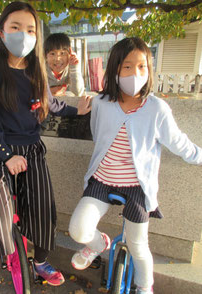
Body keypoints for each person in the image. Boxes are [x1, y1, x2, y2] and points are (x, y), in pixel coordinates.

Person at [0, 1, 91, 287]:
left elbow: (49, 102)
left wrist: (78, 110)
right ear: (1, 31)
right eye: (15, 27)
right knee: (0, 224)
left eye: (30, 29)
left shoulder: (36, 67)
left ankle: (40, 261)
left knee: (42, 214)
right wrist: (4, 153)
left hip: (31, 150)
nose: (23, 34)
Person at [68, 37, 202, 294]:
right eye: (127, 67)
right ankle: (98, 245)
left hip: (137, 189)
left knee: (139, 246)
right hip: (102, 180)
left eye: (142, 67)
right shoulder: (101, 103)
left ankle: (144, 287)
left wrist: (199, 155)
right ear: (115, 69)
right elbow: (98, 134)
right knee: (79, 229)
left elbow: (178, 142)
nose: (135, 73)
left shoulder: (157, 109)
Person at [44, 33, 85, 97]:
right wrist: (47, 93)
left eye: (62, 53)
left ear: (69, 54)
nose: (57, 59)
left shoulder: (70, 69)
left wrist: (74, 68)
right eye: (52, 54)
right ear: (45, 56)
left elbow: (78, 92)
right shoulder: (40, 70)